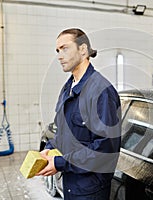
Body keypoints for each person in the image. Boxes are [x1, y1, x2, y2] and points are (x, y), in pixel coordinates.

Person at [37, 28, 121, 200]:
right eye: (57, 51)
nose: (59, 56)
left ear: (83, 50)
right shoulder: (68, 88)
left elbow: (104, 151)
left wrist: (60, 163)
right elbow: (63, 132)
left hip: (90, 190)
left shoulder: (101, 91)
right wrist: (49, 149)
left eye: (65, 48)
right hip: (71, 184)